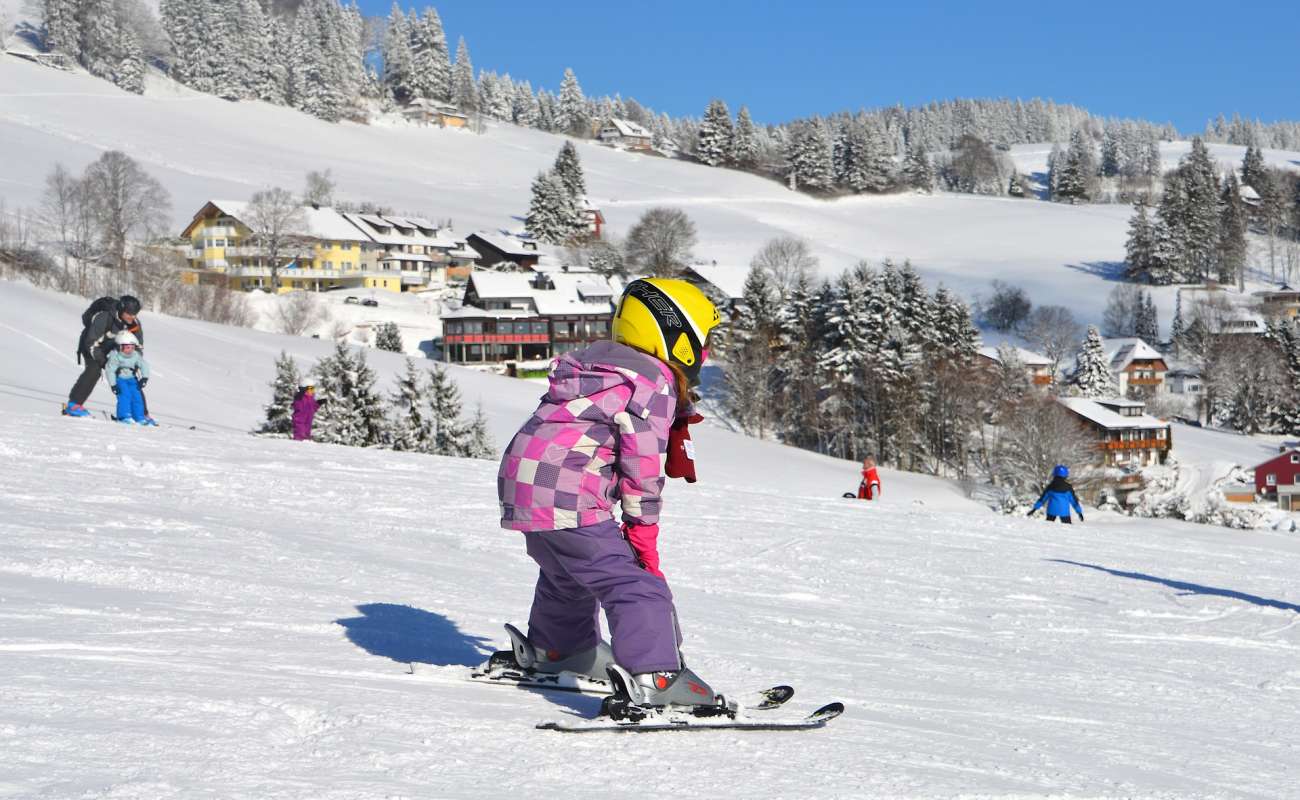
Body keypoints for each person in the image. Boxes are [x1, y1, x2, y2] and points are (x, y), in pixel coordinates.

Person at [497, 278, 721, 708]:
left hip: (523, 482)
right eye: (705, 340)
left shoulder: (597, 367)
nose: (706, 353)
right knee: (635, 585)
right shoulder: (650, 380)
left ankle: (562, 650)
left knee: (568, 575)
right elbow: (642, 462)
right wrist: (642, 526)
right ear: (679, 336)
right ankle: (657, 677)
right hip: (567, 491)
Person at [65, 295, 146, 419]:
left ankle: (141, 414)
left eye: (135, 314)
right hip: (91, 347)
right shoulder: (104, 317)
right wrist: (105, 362)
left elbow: (138, 346)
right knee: (94, 370)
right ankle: (74, 405)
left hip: (114, 349)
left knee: (129, 376)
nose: (132, 317)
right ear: (121, 309)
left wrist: (134, 362)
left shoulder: (134, 323)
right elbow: (91, 343)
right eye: (129, 313)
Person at [104, 331, 150, 425]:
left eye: (132, 347)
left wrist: (144, 378)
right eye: (128, 347)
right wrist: (113, 385)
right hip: (120, 379)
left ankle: (139, 417)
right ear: (120, 346)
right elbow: (110, 371)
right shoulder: (115, 356)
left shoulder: (135, 355)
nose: (130, 350)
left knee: (137, 396)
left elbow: (144, 365)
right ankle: (124, 416)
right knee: (125, 395)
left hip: (132, 379)